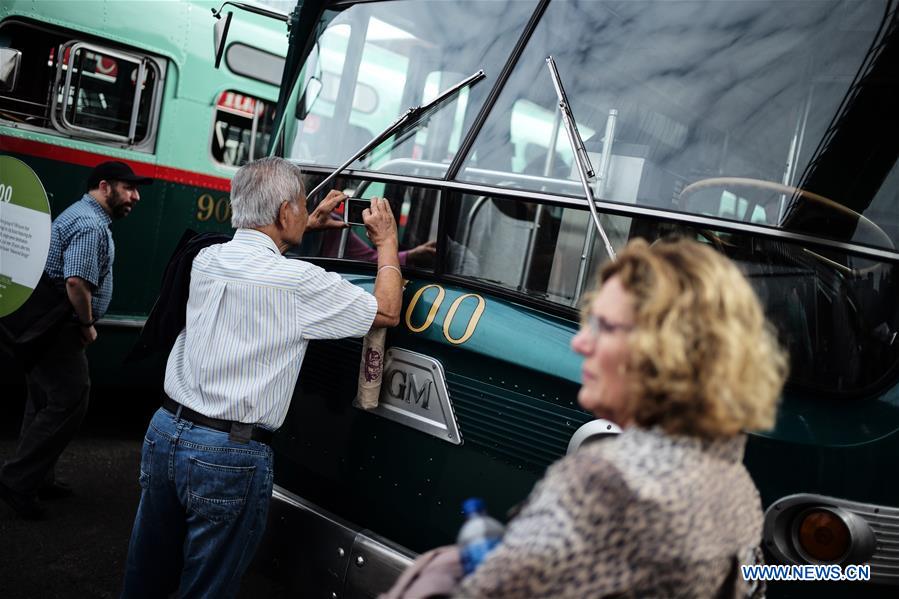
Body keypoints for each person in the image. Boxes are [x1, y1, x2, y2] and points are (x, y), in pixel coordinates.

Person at [385, 237, 788, 598]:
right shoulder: (737, 485)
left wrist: (438, 572)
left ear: (668, 352)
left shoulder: (608, 486)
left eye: (606, 328)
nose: (580, 342)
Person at [120, 157, 403, 598]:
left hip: (164, 433)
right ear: (286, 212)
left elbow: (258, 253)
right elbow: (386, 310)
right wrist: (386, 243)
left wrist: (303, 225)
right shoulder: (299, 282)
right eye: (300, 206)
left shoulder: (206, 257)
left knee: (145, 579)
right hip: (228, 456)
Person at [0, 160, 151, 519]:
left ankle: (38, 477)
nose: (136, 196)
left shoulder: (84, 215)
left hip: (43, 323)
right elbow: (75, 283)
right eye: (128, 188)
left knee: (42, 400)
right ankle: (17, 480)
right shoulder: (89, 223)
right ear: (104, 186)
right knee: (70, 399)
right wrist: (86, 324)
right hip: (59, 326)